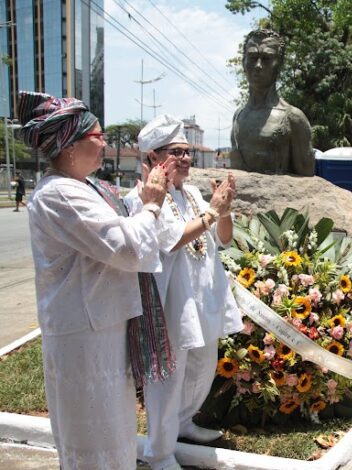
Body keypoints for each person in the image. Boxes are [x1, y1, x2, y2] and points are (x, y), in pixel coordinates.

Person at [19, 91, 168, 469]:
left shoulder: (83, 188)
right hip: (84, 337)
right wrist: (151, 204)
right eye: (97, 137)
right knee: (92, 440)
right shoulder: (60, 194)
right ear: (70, 146)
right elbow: (125, 246)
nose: (103, 145)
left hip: (100, 326)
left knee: (114, 435)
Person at [128, 114, 244, 470]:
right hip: (170, 302)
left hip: (203, 297)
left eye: (188, 151)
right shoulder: (143, 196)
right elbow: (172, 240)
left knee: (202, 367)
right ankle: (159, 452)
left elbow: (223, 238)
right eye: (176, 152)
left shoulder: (192, 192)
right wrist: (212, 212)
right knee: (168, 376)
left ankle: (182, 423)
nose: (187, 159)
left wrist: (222, 210)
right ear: (152, 158)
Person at [230, 29, 314, 176]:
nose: (258, 65)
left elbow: (308, 180)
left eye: (266, 58)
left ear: (279, 65)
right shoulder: (238, 116)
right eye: (252, 57)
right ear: (243, 62)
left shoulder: (293, 118)